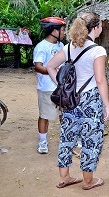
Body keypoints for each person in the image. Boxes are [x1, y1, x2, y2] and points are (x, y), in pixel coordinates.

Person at [47, 12, 109, 190]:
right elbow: (100, 80)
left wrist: (61, 85)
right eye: (101, 25)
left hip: (71, 99)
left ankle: (65, 177)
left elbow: (50, 66)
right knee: (91, 138)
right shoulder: (98, 50)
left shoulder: (68, 48)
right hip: (90, 100)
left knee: (67, 137)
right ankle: (89, 181)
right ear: (96, 27)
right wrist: (106, 104)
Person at [33, 16, 66, 154]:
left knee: (64, 114)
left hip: (61, 88)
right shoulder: (42, 47)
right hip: (47, 88)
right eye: (63, 30)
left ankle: (66, 138)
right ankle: (43, 141)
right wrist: (54, 71)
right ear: (54, 31)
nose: (64, 33)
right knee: (44, 115)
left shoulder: (61, 46)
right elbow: (38, 66)